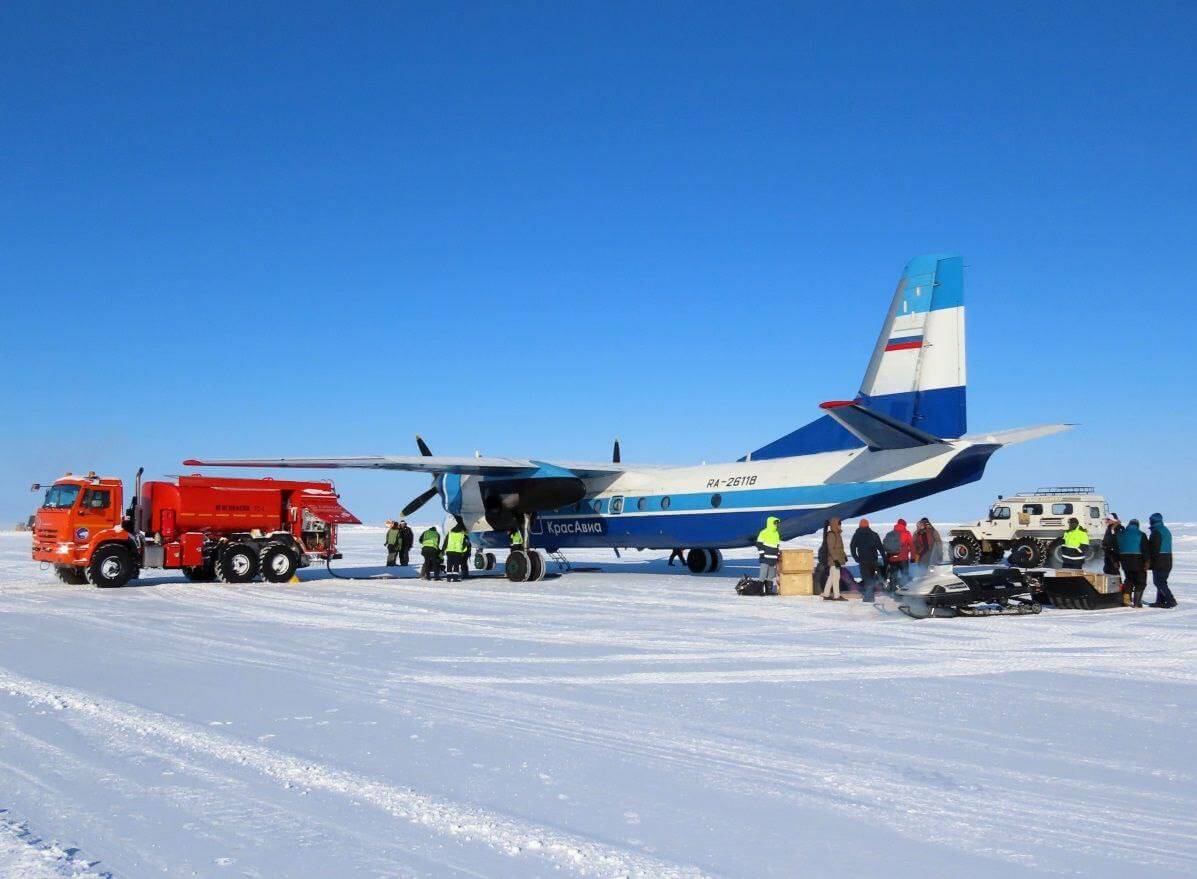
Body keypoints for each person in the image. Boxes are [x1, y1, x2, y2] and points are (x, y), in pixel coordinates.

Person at [850, 519, 885, 603]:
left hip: (863, 560)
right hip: (873, 560)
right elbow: (880, 547)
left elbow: (852, 546)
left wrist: (856, 557)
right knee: (871, 578)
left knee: (866, 578)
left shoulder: (857, 535)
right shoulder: (874, 534)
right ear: (868, 525)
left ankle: (868, 597)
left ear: (860, 525)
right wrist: (884, 558)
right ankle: (870, 596)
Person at [1117, 519, 1148, 607]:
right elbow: (1145, 549)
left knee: (1129, 579)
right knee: (1140, 581)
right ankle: (1137, 602)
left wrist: (1117, 560)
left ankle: (1126, 598)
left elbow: (1118, 547)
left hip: (1124, 560)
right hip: (1137, 559)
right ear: (1137, 525)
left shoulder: (1121, 534)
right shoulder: (1141, 534)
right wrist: (1146, 561)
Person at [1148, 513, 1176, 608]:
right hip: (1167, 559)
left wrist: (1150, 562)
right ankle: (1160, 601)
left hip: (1160, 559)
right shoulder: (1165, 530)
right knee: (1161, 581)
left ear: (1152, 521)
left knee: (1159, 582)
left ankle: (1170, 600)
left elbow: (1154, 548)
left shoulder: (1157, 532)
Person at [820, 517, 848, 601]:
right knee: (836, 577)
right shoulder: (831, 534)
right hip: (833, 560)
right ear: (835, 525)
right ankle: (837, 596)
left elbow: (840, 548)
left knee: (832, 577)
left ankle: (826, 594)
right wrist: (836, 560)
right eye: (839, 524)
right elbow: (831, 548)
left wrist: (844, 555)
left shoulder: (837, 534)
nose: (840, 526)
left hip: (837, 559)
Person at [883, 519, 913, 587]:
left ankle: (892, 590)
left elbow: (885, 545)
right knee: (904, 574)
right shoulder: (906, 533)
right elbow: (912, 545)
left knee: (893, 575)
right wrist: (913, 557)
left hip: (892, 558)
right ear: (904, 525)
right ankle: (904, 590)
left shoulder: (890, 534)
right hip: (903, 558)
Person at [755, 516, 781, 587]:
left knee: (771, 574)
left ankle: (769, 590)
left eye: (777, 524)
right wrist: (762, 553)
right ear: (770, 523)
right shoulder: (763, 532)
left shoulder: (776, 533)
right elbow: (759, 544)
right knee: (763, 574)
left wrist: (778, 554)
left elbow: (777, 545)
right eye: (775, 523)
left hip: (773, 557)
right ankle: (759, 590)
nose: (776, 525)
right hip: (765, 557)